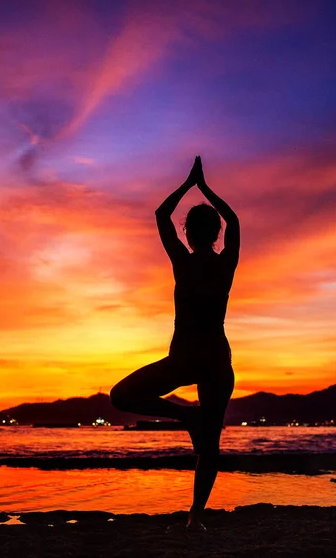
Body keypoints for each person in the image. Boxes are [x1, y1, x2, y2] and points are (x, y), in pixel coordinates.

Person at [110, 155, 239, 530]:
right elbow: (235, 221)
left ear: (188, 234)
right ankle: (195, 516)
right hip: (215, 356)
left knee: (121, 396)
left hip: (185, 357)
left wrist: (189, 183)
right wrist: (207, 189)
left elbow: (160, 214)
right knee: (210, 442)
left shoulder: (182, 261)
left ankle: (186, 416)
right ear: (215, 234)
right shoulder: (226, 262)